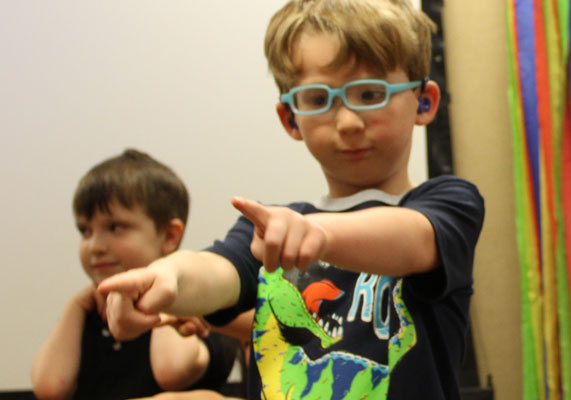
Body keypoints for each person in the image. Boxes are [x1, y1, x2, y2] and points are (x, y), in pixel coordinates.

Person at [98, 1, 485, 399]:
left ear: (424, 102)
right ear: (289, 118)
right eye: (318, 100)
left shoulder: (449, 203)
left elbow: (415, 239)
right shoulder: (269, 229)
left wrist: (318, 234)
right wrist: (169, 277)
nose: (348, 122)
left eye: (370, 94)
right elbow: (217, 270)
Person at [31, 149, 238, 400]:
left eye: (115, 227)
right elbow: (49, 388)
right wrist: (75, 306)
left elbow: (172, 370)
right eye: (85, 230)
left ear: (170, 236)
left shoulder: (198, 309)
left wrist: (164, 300)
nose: (95, 246)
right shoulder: (87, 315)